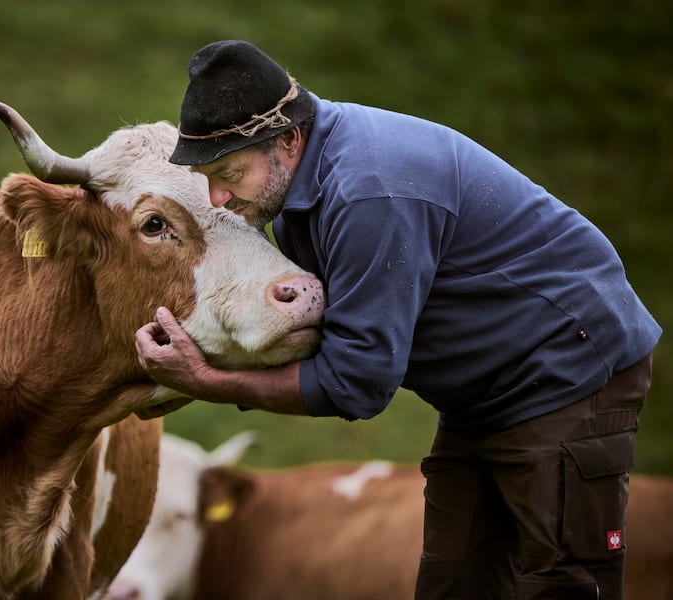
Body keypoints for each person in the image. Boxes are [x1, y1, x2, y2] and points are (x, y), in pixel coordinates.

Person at [134, 40, 661, 599]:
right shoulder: (292, 185)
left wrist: (209, 383)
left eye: (228, 172)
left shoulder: (369, 192)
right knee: (453, 583)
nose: (218, 198)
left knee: (564, 582)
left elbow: (356, 381)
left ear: (287, 139)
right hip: (481, 394)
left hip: (568, 371)